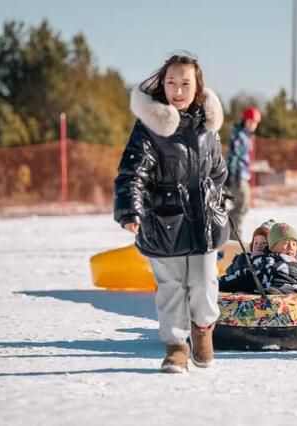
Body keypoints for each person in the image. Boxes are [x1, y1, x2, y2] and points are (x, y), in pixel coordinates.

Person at [113, 53, 228, 373]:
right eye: (172, 83)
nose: (178, 90)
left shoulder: (207, 125)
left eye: (185, 83)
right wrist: (130, 209)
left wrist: (220, 198)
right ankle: (176, 346)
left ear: (197, 87)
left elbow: (218, 171)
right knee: (172, 287)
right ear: (162, 85)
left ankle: (203, 327)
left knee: (205, 283)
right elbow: (132, 172)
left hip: (203, 219)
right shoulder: (150, 126)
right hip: (162, 219)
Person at [225, 107, 261, 240]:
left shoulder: (246, 136)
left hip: (243, 175)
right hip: (238, 175)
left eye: (255, 123)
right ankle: (234, 237)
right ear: (244, 121)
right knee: (242, 206)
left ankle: (232, 233)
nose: (253, 125)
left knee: (243, 207)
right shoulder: (240, 136)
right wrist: (232, 175)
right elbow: (233, 156)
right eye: (250, 122)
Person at [218, 220, 274, 293]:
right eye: (256, 242)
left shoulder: (272, 261)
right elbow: (232, 273)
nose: (259, 246)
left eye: (264, 243)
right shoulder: (243, 258)